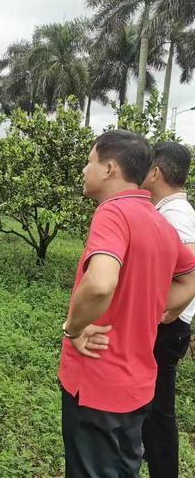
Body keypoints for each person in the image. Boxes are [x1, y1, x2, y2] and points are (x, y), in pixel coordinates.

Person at [58, 130, 195, 478]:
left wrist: (72, 328)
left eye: (89, 162)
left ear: (108, 169)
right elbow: (190, 275)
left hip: (97, 382)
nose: (84, 171)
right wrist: (162, 309)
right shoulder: (158, 222)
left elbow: (101, 283)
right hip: (136, 385)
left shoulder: (113, 213)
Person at [141, 142, 195, 478]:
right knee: (152, 410)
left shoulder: (175, 216)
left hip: (166, 327)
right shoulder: (171, 211)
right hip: (168, 324)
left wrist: (168, 311)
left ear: (155, 172)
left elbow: (190, 269)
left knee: (158, 413)